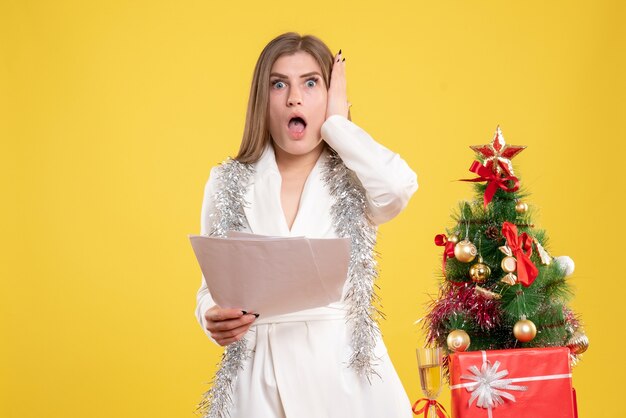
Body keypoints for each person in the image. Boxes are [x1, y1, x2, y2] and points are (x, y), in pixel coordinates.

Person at [195, 32, 418, 418]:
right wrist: (211, 315)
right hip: (257, 379)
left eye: (310, 83)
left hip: (345, 378)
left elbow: (398, 188)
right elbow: (210, 287)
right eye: (279, 84)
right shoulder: (228, 181)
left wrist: (337, 123)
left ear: (330, 94)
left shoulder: (355, 176)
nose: (294, 98)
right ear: (262, 101)